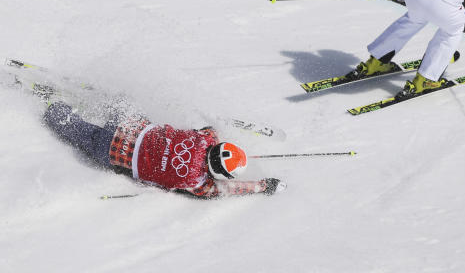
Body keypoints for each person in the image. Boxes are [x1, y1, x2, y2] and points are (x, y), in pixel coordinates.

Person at [43, 101, 285, 198]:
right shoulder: (197, 181)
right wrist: (263, 186)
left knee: (120, 103)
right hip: (112, 151)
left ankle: (88, 97)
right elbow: (226, 190)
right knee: (78, 131)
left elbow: (211, 130)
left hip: (129, 123)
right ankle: (54, 112)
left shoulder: (203, 139)